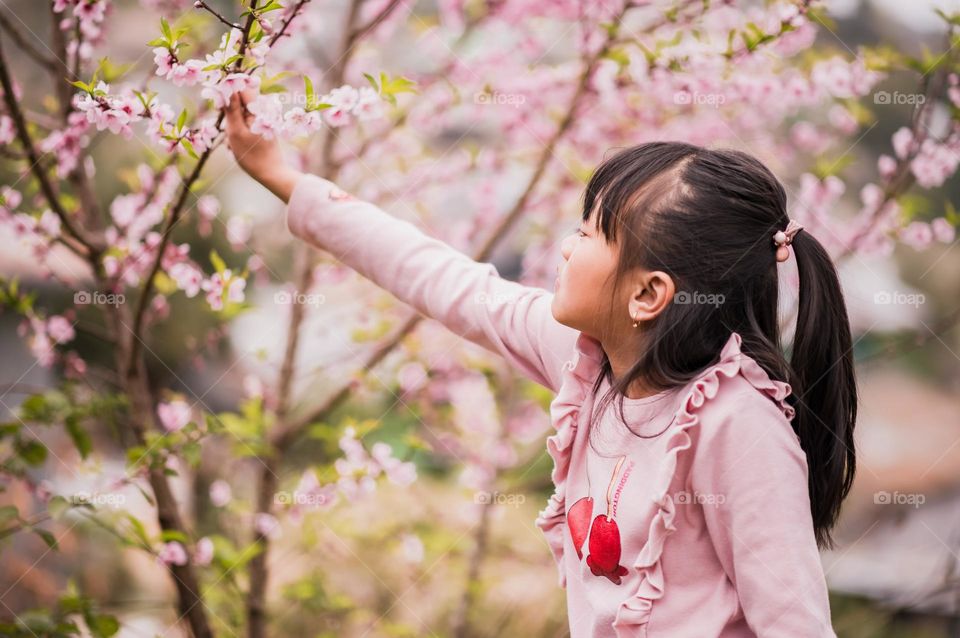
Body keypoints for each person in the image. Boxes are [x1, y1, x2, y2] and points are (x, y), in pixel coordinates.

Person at [225, 89, 855, 637]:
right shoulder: (590, 364)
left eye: (587, 234)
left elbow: (795, 625)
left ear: (646, 294)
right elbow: (441, 279)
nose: (563, 245)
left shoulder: (736, 426)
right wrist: (282, 176)